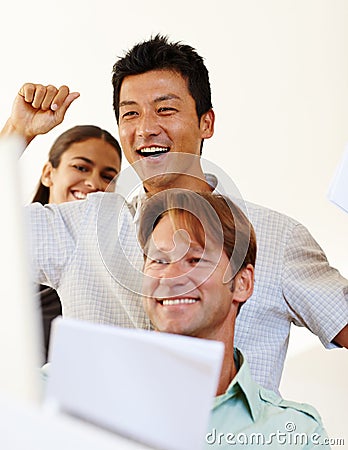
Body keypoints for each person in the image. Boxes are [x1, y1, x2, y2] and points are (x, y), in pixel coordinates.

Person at [0, 36, 347, 393]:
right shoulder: (79, 226)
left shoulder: (278, 237)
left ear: (206, 123)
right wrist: (16, 132)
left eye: (165, 109)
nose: (145, 128)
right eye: (130, 113)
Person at [138, 189, 330, 449]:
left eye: (195, 260)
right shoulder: (92, 410)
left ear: (242, 283)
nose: (172, 277)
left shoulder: (297, 433)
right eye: (159, 260)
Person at [31, 123, 122, 359]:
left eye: (107, 176)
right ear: (48, 174)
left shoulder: (109, 275)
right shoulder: (13, 251)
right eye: (81, 167)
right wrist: (19, 131)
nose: (94, 183)